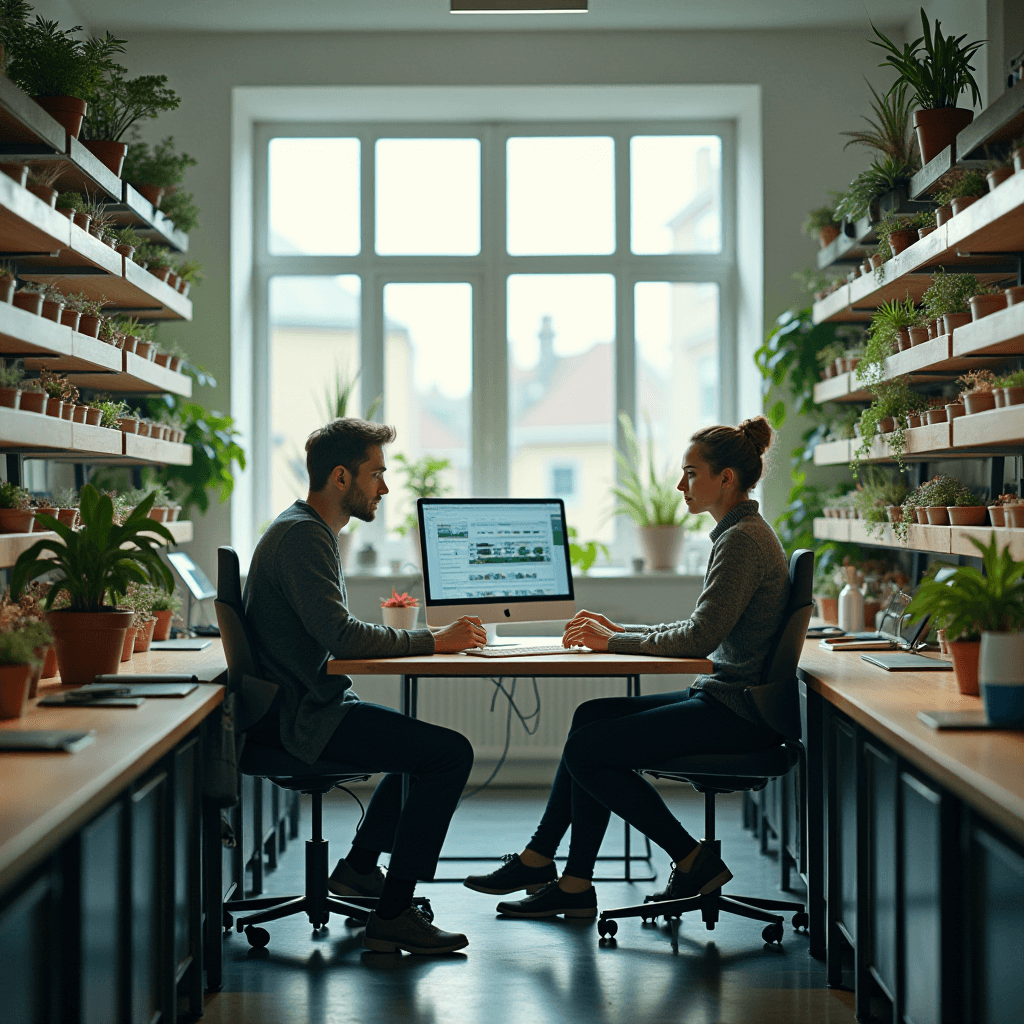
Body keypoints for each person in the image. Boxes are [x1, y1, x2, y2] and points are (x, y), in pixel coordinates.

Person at [463, 416, 789, 919]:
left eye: (691, 473)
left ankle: (689, 858)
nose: (681, 485)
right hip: (727, 699)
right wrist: (619, 633)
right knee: (591, 717)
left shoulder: (742, 540)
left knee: (588, 749)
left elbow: (699, 637)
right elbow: (702, 626)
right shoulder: (739, 533)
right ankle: (560, 873)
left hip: (735, 712)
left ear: (726, 478)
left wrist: (613, 639)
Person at [244, 418, 487, 954]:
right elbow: (342, 636)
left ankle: (358, 871)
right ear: (339, 477)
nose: (384, 487)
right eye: (376, 474)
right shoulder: (304, 537)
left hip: (306, 707)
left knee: (417, 752)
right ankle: (394, 914)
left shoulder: (305, 529)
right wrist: (433, 641)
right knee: (448, 755)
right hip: (303, 720)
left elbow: (334, 634)